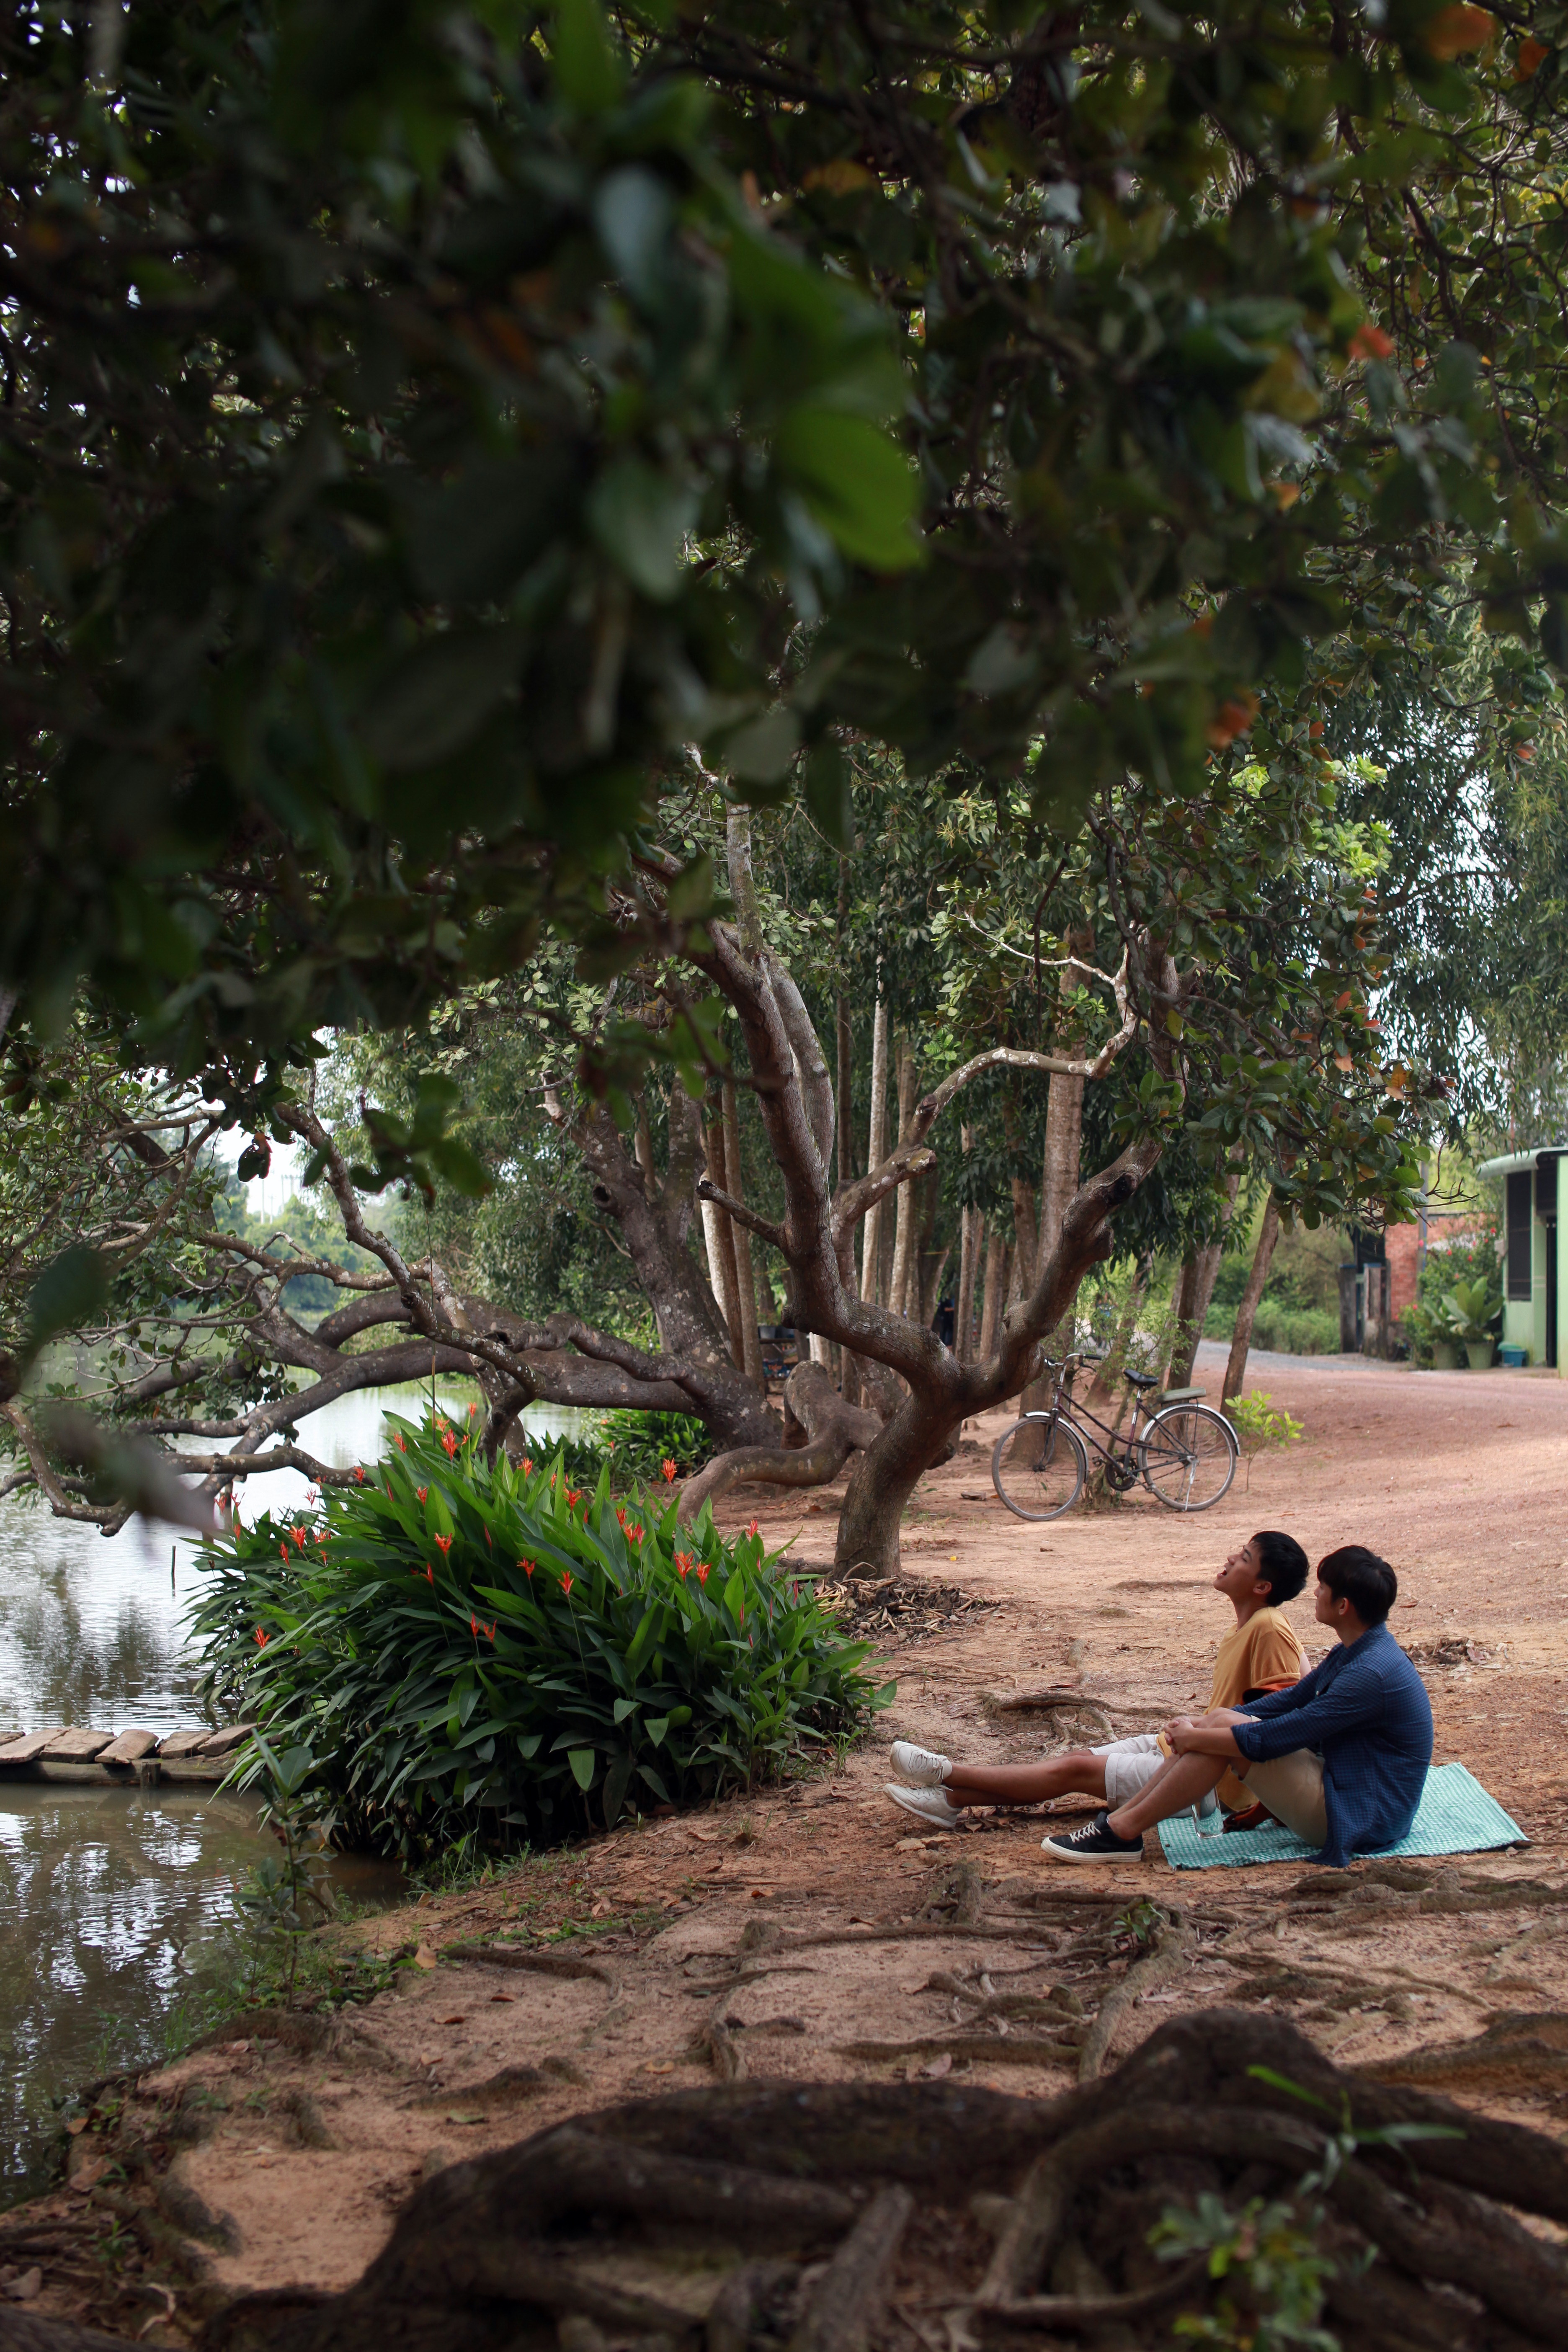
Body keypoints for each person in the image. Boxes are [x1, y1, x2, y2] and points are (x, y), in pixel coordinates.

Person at [885, 1530, 1310, 1832]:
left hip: (1208, 1780)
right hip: (1186, 1747)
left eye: (1246, 1559)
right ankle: (952, 1799)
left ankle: (946, 1773)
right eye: (1240, 1551)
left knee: (1074, 1769)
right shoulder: (1246, 1627)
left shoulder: (1270, 1627)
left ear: (1263, 1586)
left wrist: (1206, 1742)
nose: (1233, 1558)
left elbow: (1279, 1720)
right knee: (1077, 1757)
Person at [1038, 1544, 1432, 1867]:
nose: (1315, 1593)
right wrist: (1203, 1722)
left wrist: (1203, 1735)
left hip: (1360, 1817)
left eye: (1323, 1587)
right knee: (1223, 1725)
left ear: (1343, 1606)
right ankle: (1121, 1827)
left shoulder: (1371, 1674)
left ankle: (1122, 1832)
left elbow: (1288, 1731)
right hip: (1348, 1790)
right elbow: (1291, 1700)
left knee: (1226, 1739)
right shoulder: (1356, 1651)